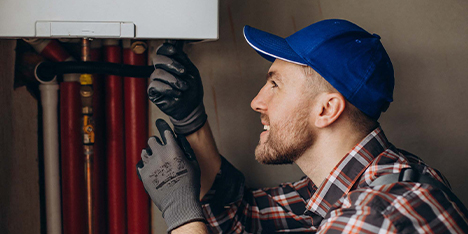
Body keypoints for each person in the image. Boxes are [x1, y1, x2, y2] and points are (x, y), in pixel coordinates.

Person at [137, 19, 468, 233]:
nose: (256, 102)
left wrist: (181, 211)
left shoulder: (376, 217)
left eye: (275, 85)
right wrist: (190, 118)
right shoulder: (364, 180)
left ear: (326, 109)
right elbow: (242, 217)